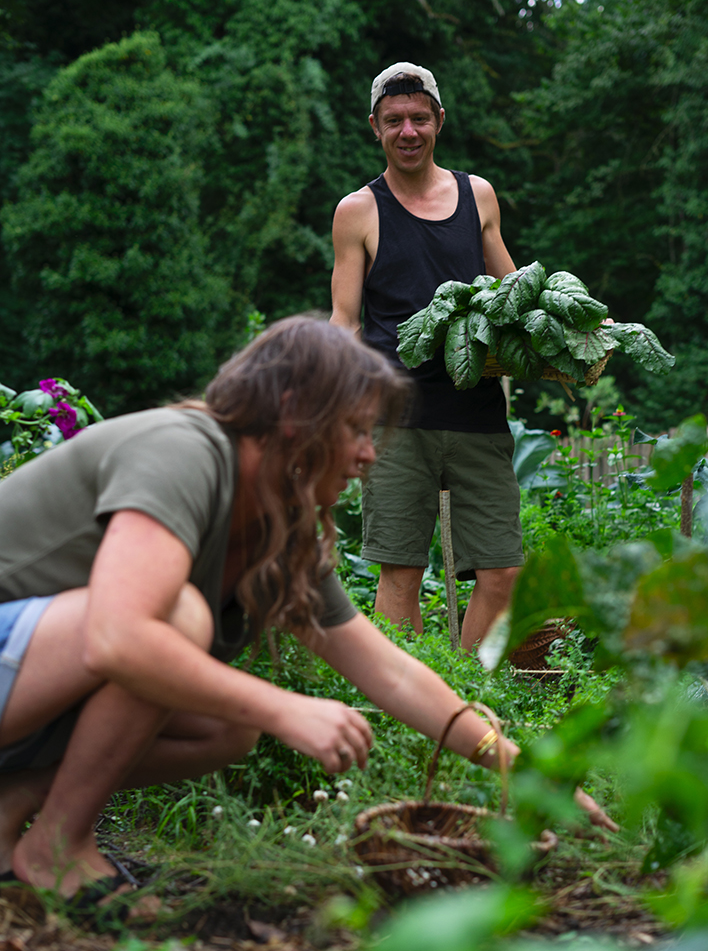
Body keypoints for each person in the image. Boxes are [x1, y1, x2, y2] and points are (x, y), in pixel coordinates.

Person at [0, 317, 525, 905]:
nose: (368, 455)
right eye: (356, 429)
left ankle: (18, 806)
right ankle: (59, 847)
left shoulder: (280, 524)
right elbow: (119, 637)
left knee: (226, 726)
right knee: (177, 623)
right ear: (295, 411)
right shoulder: (183, 452)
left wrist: (515, 768)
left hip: (22, 689)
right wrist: (285, 709)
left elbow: (391, 673)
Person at [330, 62, 525, 651]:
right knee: (400, 571)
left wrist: (574, 332)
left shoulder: (478, 196)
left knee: (502, 573)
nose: (407, 131)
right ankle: (408, 712)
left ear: (439, 120)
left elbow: (514, 292)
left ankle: (465, 696)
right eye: (394, 121)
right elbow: (344, 320)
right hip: (395, 419)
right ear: (375, 127)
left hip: (477, 412)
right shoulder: (358, 211)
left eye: (419, 118)